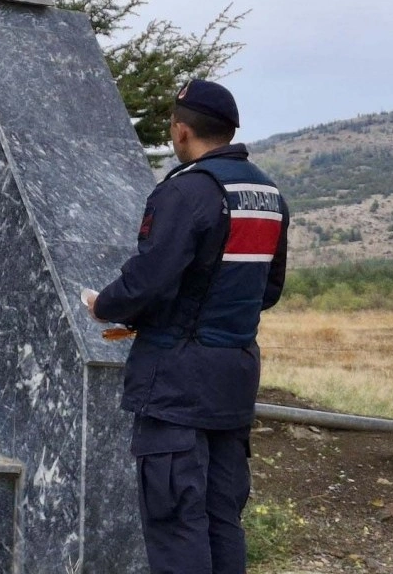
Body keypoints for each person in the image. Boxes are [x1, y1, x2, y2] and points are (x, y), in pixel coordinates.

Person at [85, 80, 290, 573]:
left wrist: (104, 307)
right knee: (222, 516)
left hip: (177, 384)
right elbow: (269, 289)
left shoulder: (188, 190)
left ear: (181, 131)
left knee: (177, 519)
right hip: (234, 379)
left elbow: (147, 283)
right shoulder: (267, 193)